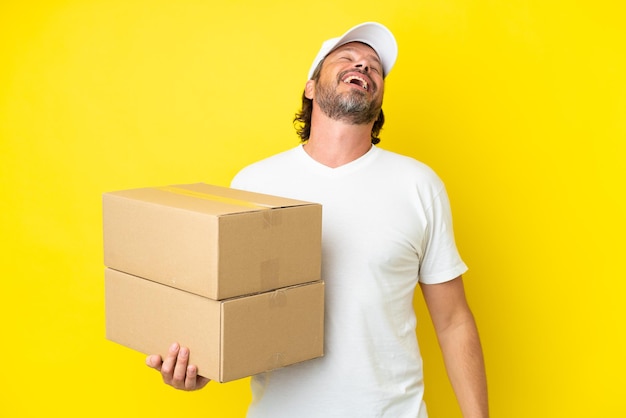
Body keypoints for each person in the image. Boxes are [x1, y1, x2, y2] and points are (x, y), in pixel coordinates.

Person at [146, 22, 489, 417]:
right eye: (347, 57)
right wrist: (199, 363)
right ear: (311, 86)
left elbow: (453, 321)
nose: (363, 65)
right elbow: (230, 308)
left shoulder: (418, 185)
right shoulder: (254, 184)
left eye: (374, 67)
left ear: (379, 98)